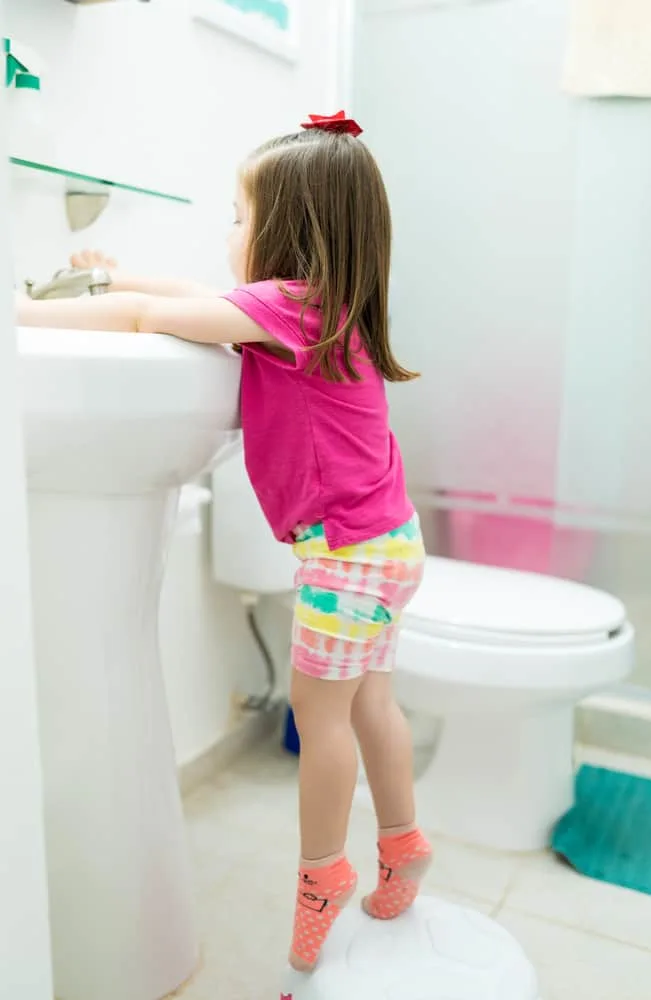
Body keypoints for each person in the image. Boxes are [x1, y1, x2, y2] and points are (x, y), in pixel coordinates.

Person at [17, 111, 432, 974]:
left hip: (343, 557)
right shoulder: (328, 306)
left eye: (240, 218)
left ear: (287, 228)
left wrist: (25, 308)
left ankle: (322, 876)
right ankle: (404, 844)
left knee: (320, 723)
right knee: (373, 705)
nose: (232, 233)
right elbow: (182, 299)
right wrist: (114, 275)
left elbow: (145, 319)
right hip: (390, 544)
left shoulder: (285, 309)